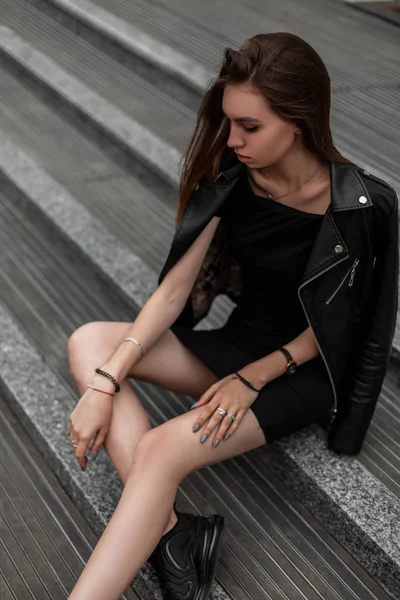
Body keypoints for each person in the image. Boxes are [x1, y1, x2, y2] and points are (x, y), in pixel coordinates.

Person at [67, 32, 398, 600]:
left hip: (301, 369)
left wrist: (255, 377)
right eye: (228, 122)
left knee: (160, 449)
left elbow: (350, 322)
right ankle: (174, 534)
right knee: (92, 341)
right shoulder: (231, 181)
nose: (232, 139)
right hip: (236, 345)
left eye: (250, 126)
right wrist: (106, 381)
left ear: (300, 120)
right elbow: (172, 294)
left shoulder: (362, 204)